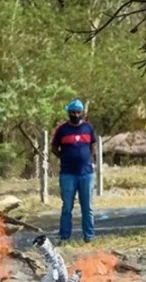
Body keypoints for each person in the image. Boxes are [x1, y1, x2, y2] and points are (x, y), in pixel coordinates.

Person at [51, 99, 96, 243]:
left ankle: (89, 236)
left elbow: (92, 146)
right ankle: (64, 236)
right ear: (68, 112)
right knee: (67, 207)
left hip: (86, 174)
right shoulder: (62, 129)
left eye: (78, 112)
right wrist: (64, 157)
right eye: (72, 112)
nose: (75, 114)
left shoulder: (88, 128)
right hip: (67, 174)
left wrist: (87, 159)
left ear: (81, 113)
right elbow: (54, 148)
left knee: (87, 207)